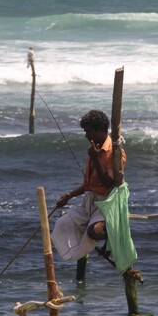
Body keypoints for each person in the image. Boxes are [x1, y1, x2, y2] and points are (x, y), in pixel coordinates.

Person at [51, 109, 127, 261]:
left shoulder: (115, 153)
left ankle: (112, 235)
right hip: (90, 202)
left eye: (89, 132)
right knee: (62, 224)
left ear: (101, 130)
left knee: (93, 232)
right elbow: (88, 185)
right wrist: (68, 196)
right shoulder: (94, 150)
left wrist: (96, 159)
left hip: (107, 203)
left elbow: (108, 183)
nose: (87, 136)